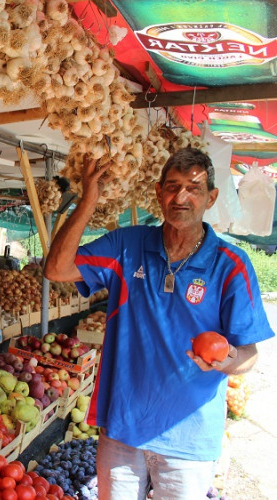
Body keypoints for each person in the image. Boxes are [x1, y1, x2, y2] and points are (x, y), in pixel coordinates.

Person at [44, 148, 274, 500]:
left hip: (189, 436)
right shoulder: (127, 245)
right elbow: (57, 269)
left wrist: (226, 358)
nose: (181, 197)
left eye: (193, 188)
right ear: (158, 193)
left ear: (211, 197)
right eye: (172, 186)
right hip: (123, 428)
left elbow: (249, 354)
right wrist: (89, 199)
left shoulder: (231, 265)